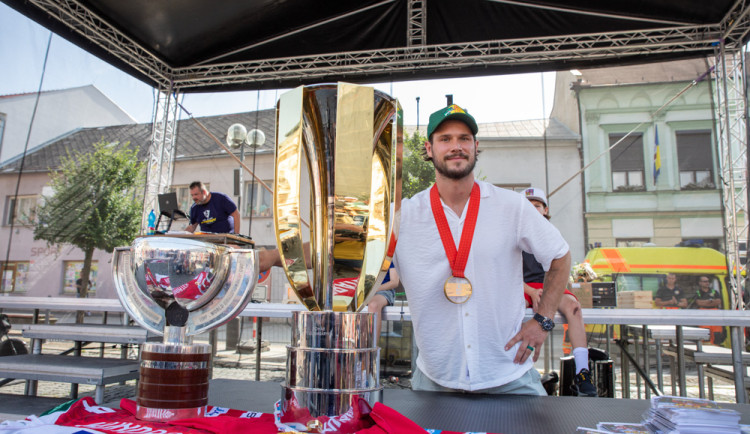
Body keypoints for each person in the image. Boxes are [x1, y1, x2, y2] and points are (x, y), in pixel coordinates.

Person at [258, 104, 571, 395]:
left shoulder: (511, 207)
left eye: (464, 138)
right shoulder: (404, 215)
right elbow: (341, 246)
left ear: (476, 147)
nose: (456, 146)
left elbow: (560, 255)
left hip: (510, 377)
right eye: (445, 138)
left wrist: (542, 321)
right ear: (429, 148)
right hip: (433, 383)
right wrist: (271, 257)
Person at [521, 187, 597, 397]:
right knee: (509, 310)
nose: (533, 209)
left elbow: (560, 270)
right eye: (528, 206)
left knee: (574, 308)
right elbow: (504, 272)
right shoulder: (514, 232)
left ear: (545, 210)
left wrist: (548, 294)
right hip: (521, 286)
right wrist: (528, 290)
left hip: (548, 285)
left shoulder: (552, 234)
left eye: (537, 206)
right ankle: (519, 370)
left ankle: (582, 373)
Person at [367, 263, 399, 340]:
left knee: (373, 305)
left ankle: (372, 349)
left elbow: (394, 282)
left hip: (383, 290)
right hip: (363, 290)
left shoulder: (390, 256)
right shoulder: (363, 253)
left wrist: (374, 289)